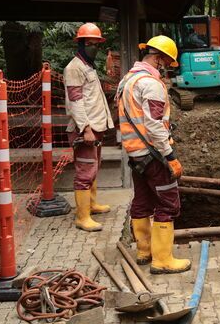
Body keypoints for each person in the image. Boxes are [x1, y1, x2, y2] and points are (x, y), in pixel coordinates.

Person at [116, 35, 191, 274]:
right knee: (168, 204)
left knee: (142, 201)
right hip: (154, 154)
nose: (167, 69)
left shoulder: (126, 81)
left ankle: (144, 251)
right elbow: (155, 125)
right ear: (158, 59)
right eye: (167, 63)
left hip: (135, 154)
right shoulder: (151, 84)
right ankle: (163, 260)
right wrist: (171, 156)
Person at [64, 23, 114, 232]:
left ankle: (91, 205)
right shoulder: (74, 68)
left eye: (97, 44)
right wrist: (85, 129)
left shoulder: (88, 66)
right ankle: (82, 217)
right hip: (86, 129)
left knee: (93, 168)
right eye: (90, 43)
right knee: (85, 172)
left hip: (96, 127)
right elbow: (76, 102)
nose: (94, 47)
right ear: (81, 44)